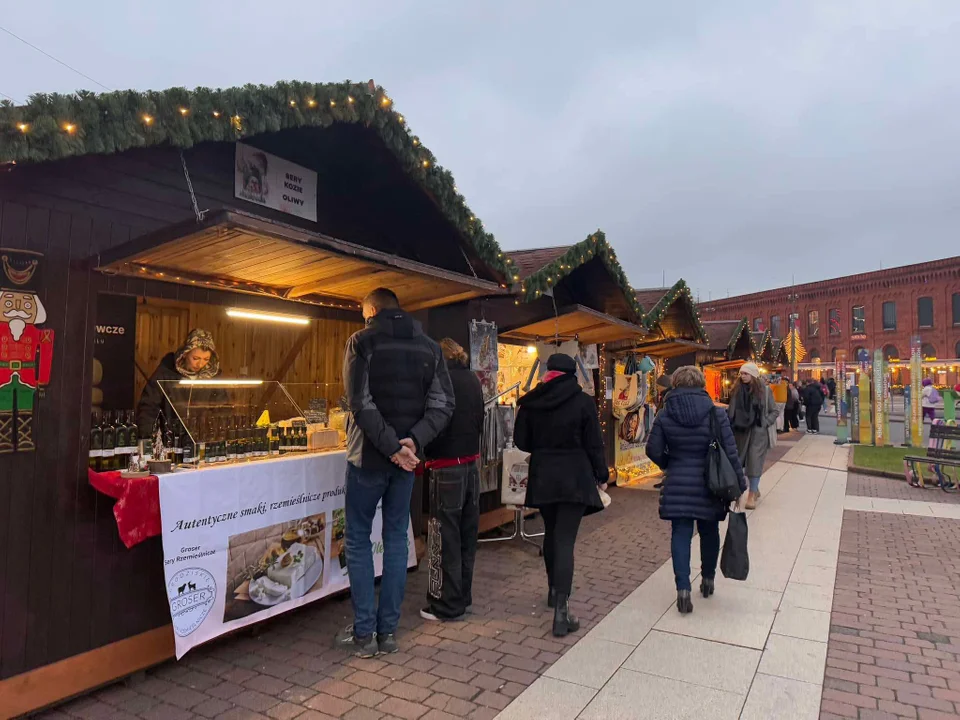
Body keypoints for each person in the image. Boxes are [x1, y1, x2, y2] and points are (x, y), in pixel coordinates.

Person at [336, 288, 455, 657]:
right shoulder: (431, 348)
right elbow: (443, 404)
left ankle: (363, 634)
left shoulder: (361, 341)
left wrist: (391, 447)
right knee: (396, 541)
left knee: (357, 542)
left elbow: (359, 402)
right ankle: (387, 634)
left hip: (367, 460)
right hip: (405, 464)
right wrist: (411, 444)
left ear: (371, 310)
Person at [514, 353, 608, 637]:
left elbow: (521, 441)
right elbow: (594, 442)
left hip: (544, 476)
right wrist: (601, 475)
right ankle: (562, 611)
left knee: (551, 532)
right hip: (574, 477)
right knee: (565, 539)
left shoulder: (532, 401)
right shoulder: (583, 402)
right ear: (572, 374)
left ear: (548, 372)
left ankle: (554, 591)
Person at [646, 366, 746, 614]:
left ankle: (682, 588)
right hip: (710, 484)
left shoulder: (665, 414)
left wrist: (669, 463)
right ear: (702, 384)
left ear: (676, 384)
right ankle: (708, 579)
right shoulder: (716, 413)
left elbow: (652, 449)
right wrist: (741, 485)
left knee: (680, 533)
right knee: (709, 531)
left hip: (678, 481)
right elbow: (731, 453)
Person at [420, 339, 484, 623]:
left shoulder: (439, 381)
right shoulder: (471, 379)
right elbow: (480, 419)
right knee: (466, 536)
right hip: (471, 465)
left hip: (445, 468)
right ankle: (464, 598)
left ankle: (446, 604)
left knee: (443, 536)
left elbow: (433, 423)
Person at [136, 328, 221, 437]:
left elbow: (222, 408)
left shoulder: (213, 377)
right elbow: (148, 407)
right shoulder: (166, 373)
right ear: (185, 354)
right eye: (196, 358)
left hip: (200, 439)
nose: (200, 364)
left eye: (206, 359)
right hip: (169, 439)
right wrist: (146, 438)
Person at [728, 362, 778, 510]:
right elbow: (731, 411)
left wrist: (765, 422)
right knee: (740, 463)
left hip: (758, 432)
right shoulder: (736, 391)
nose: (742, 376)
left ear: (753, 375)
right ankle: (753, 489)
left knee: (754, 463)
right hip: (740, 432)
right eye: (741, 374)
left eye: (746, 374)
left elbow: (774, 411)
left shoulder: (765, 391)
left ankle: (751, 494)